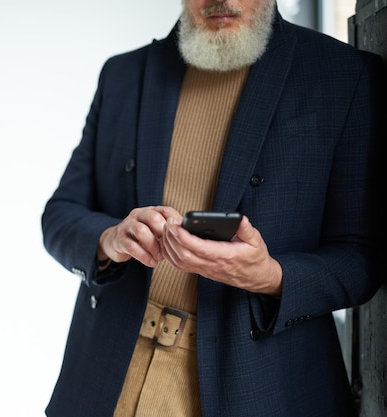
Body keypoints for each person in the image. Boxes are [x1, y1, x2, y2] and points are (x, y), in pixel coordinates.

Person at [41, 0, 385, 416]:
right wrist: (110, 238)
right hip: (106, 375)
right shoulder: (123, 75)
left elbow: (360, 257)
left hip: (263, 388)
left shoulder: (344, 75)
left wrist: (271, 277)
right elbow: (60, 213)